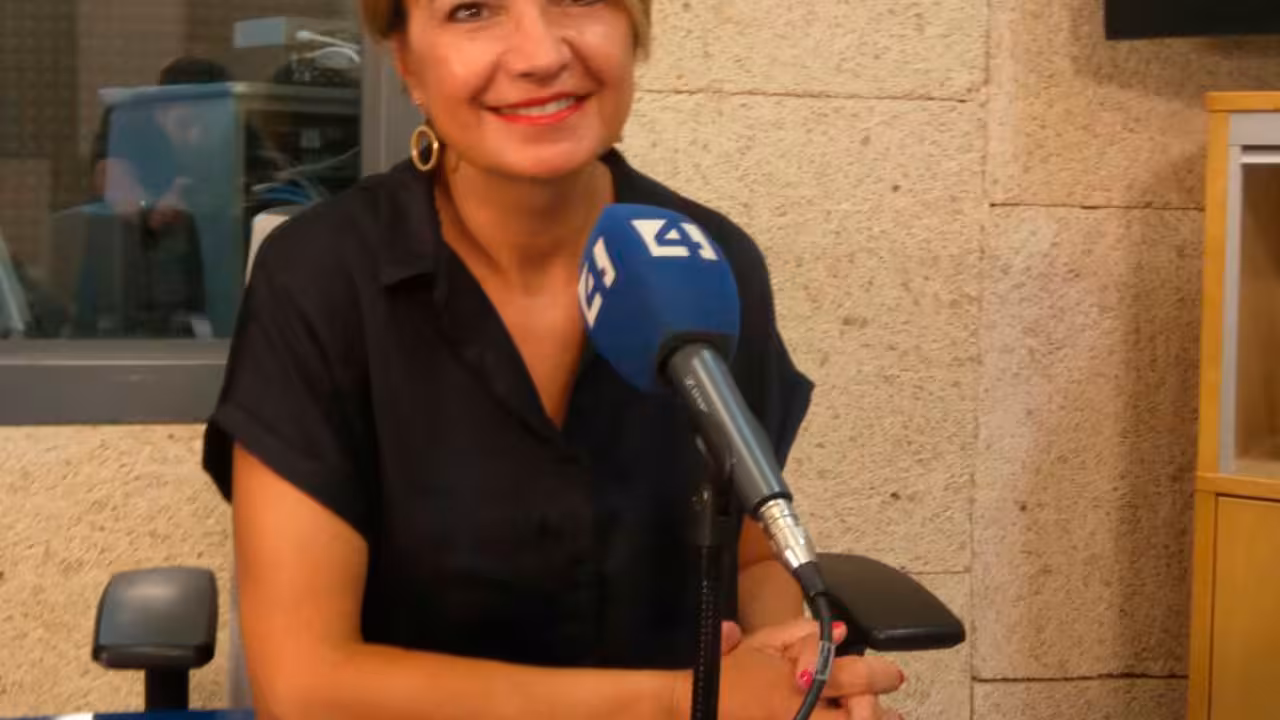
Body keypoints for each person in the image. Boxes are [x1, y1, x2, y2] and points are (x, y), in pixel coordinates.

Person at [201, 1, 906, 719]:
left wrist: (791, 667)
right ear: (407, 63)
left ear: (635, 27)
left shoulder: (707, 260)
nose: (539, 55)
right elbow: (306, 685)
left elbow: (752, 556)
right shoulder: (320, 279)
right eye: (472, 9)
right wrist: (676, 702)